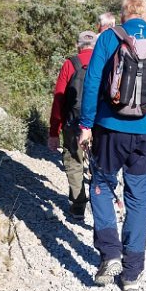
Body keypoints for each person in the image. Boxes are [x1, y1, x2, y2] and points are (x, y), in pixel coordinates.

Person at [78, 0, 146, 291]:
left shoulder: (108, 38)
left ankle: (110, 253)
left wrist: (86, 125)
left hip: (109, 129)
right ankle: (132, 273)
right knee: (137, 198)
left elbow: (92, 84)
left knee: (101, 185)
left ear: (123, 16)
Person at [48, 30, 97, 219]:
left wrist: (54, 132)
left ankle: (78, 206)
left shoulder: (70, 64)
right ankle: (101, 207)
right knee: (99, 163)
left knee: (74, 162)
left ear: (78, 45)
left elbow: (58, 100)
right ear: (96, 46)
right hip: (100, 124)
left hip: (73, 122)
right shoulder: (105, 63)